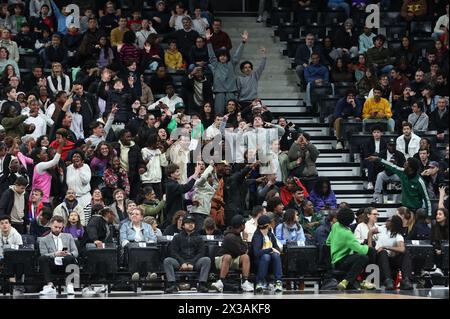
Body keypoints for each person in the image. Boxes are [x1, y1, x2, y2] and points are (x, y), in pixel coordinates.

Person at [326, 208, 375, 290]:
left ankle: (349, 281)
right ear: (351, 220)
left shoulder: (335, 226)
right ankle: (360, 280)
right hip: (341, 262)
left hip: (335, 260)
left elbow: (328, 242)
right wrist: (368, 246)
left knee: (360, 256)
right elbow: (362, 250)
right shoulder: (347, 234)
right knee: (368, 254)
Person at [366, 155, 432, 216]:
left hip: (415, 209)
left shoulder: (419, 181)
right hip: (405, 208)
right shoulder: (403, 172)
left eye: (406, 164)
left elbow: (427, 199)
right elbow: (391, 166)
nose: (403, 165)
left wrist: (429, 216)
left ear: (411, 168)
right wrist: (378, 159)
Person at [163, 215, 211, 293]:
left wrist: (192, 263)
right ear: (183, 225)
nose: (190, 224)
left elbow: (201, 253)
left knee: (206, 260)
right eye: (188, 223)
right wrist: (182, 263)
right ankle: (172, 284)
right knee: (167, 261)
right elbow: (173, 252)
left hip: (195, 262)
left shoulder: (199, 238)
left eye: (192, 223)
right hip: (180, 262)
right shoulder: (177, 237)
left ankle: (202, 284)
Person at [205, 28, 247, 115]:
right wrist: (208, 41)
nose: (222, 57)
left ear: (227, 57)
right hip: (219, 92)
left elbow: (238, 55)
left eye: (224, 56)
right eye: (220, 56)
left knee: (232, 112)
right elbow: (211, 55)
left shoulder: (231, 64)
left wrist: (243, 42)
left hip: (231, 92)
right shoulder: (215, 64)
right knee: (219, 113)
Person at [211, 215, 254, 292]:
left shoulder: (237, 234)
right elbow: (242, 251)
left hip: (233, 258)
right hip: (220, 259)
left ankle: (245, 282)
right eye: (244, 224)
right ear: (241, 225)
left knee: (245, 257)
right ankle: (221, 281)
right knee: (228, 257)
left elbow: (243, 252)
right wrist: (245, 240)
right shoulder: (230, 237)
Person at [369, 215, 413, 290]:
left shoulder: (398, 235)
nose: (386, 221)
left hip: (391, 260)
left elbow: (402, 249)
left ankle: (406, 280)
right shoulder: (382, 228)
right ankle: (388, 280)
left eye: (388, 221)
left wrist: (386, 247)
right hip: (379, 258)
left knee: (406, 253)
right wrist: (370, 246)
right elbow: (370, 232)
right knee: (383, 252)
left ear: (393, 223)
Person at [38, 216, 78, 295]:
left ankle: (69, 285)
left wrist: (69, 254)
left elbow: (75, 252)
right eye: (55, 227)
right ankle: (50, 286)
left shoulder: (68, 236)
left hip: (66, 262)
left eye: (60, 227)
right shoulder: (43, 240)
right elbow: (44, 254)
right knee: (42, 259)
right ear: (51, 225)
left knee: (69, 257)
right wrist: (55, 254)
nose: (57, 229)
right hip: (53, 263)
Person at [252, 215, 283, 293]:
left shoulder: (270, 234)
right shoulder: (257, 236)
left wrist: (274, 251)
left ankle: (278, 282)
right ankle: (260, 282)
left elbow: (276, 248)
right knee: (266, 256)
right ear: (267, 225)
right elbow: (256, 253)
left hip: (272, 261)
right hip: (259, 261)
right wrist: (270, 250)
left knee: (276, 255)